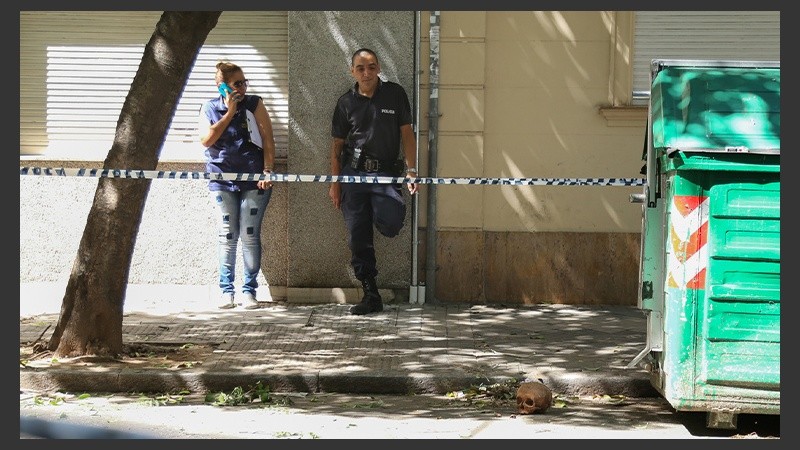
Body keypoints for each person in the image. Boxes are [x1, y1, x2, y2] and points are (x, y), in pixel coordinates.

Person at [329, 48, 419, 315]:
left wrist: (412, 170)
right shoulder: (345, 103)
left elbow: (407, 135)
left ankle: (379, 213)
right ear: (352, 71)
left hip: (385, 175)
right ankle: (370, 293)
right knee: (359, 236)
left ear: (378, 68)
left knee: (391, 223)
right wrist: (335, 183)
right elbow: (336, 146)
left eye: (371, 67)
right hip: (353, 177)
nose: (366, 73)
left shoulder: (395, 94)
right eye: (360, 68)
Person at [198, 61, 276, 310]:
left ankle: (249, 290)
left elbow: (267, 137)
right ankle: (226, 290)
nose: (242, 88)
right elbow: (206, 139)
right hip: (221, 179)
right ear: (222, 87)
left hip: (254, 178)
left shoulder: (254, 104)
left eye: (244, 82)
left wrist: (268, 170)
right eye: (236, 84)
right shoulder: (210, 108)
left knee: (249, 234)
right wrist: (229, 112)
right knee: (227, 234)